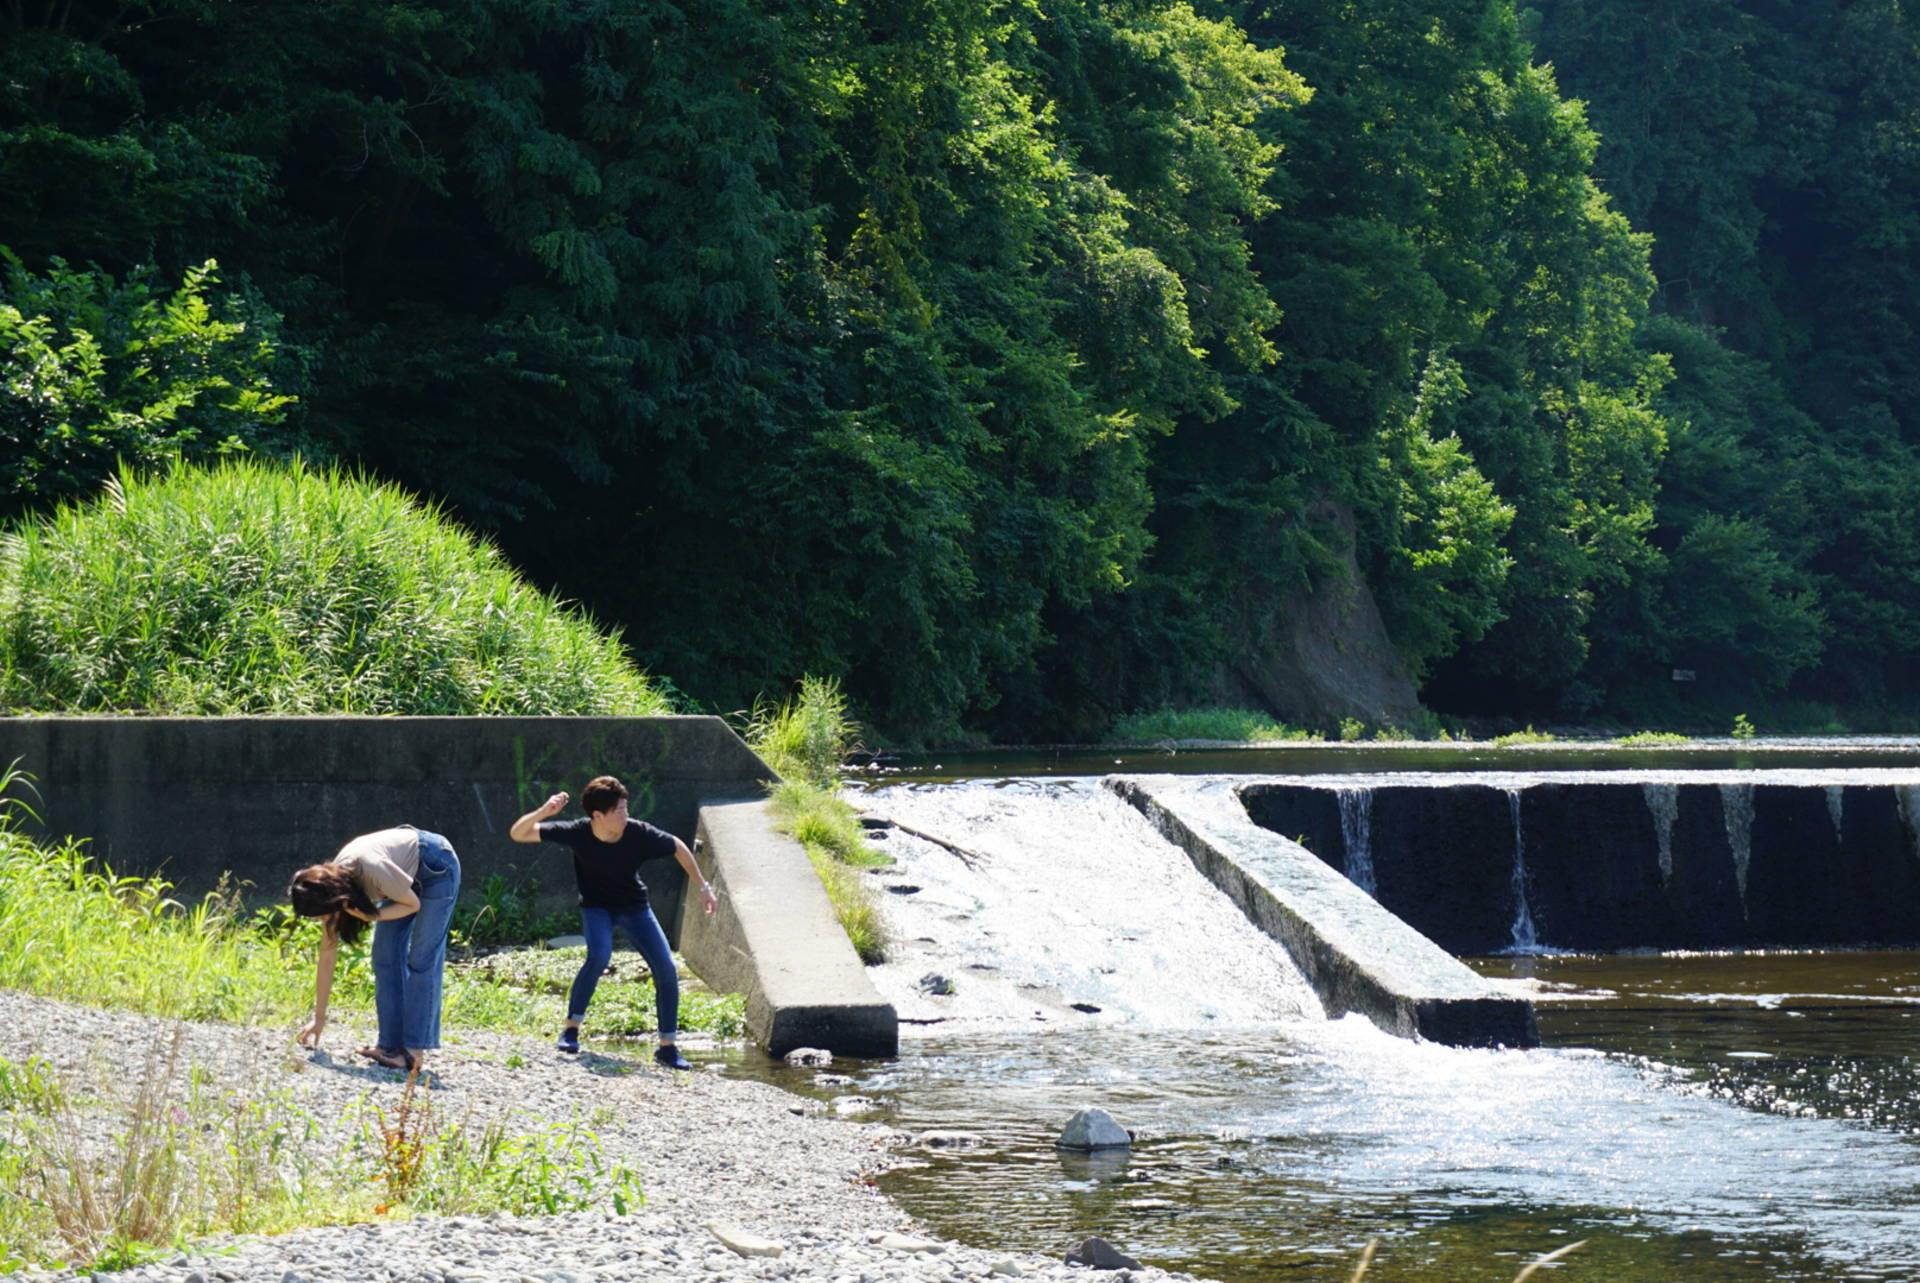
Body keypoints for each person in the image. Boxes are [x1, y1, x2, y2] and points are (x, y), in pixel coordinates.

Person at [510, 775, 717, 1069]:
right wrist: (545, 810)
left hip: (635, 908)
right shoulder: (577, 832)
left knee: (667, 968)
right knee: (599, 956)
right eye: (619, 810)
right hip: (597, 908)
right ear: (598, 816)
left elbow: (678, 847)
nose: (626, 815)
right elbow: (519, 833)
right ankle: (571, 1030)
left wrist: (704, 888)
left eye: (625, 808)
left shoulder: (639, 833)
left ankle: (668, 1048)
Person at [290, 826, 462, 1074]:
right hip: (400, 875)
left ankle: (414, 1053)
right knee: (384, 957)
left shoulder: (369, 869)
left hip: (436, 865)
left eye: (323, 914)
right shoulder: (333, 890)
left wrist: (370, 915)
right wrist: (318, 1019)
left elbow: (411, 905)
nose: (324, 919)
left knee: (422, 959)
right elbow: (327, 959)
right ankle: (389, 1047)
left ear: (332, 900)